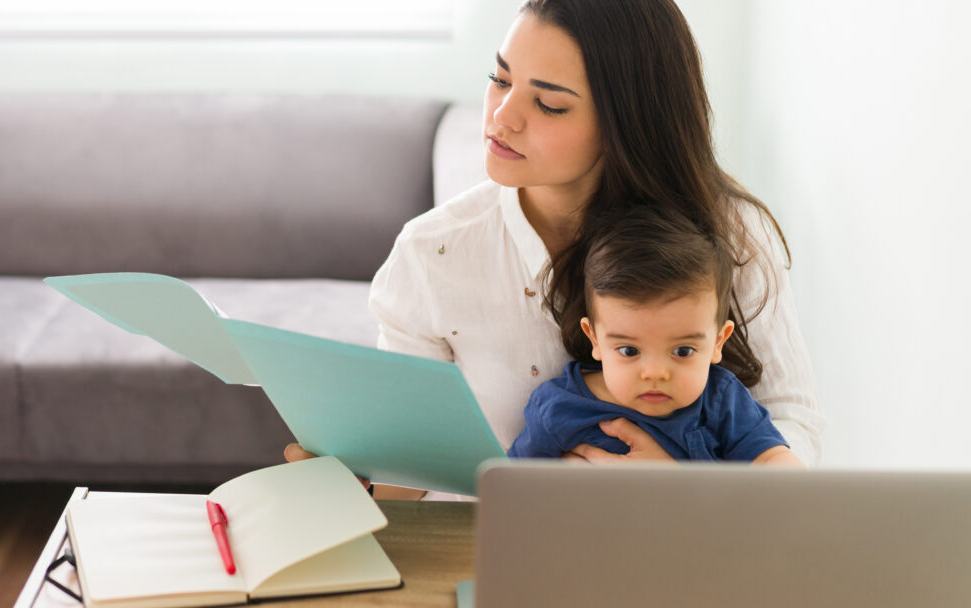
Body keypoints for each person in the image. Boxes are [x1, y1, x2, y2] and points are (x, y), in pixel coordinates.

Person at [286, 0, 824, 499]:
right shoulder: (434, 253)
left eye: (548, 104)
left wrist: (684, 493)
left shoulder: (731, 235)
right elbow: (413, 471)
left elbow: (791, 420)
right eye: (500, 80)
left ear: (627, 124)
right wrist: (352, 485)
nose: (502, 116)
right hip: (507, 553)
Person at [507, 204, 802, 466]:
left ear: (717, 342)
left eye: (683, 351)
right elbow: (512, 489)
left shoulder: (721, 401)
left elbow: (772, 458)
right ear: (594, 339)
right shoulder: (559, 408)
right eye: (629, 351)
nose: (655, 373)